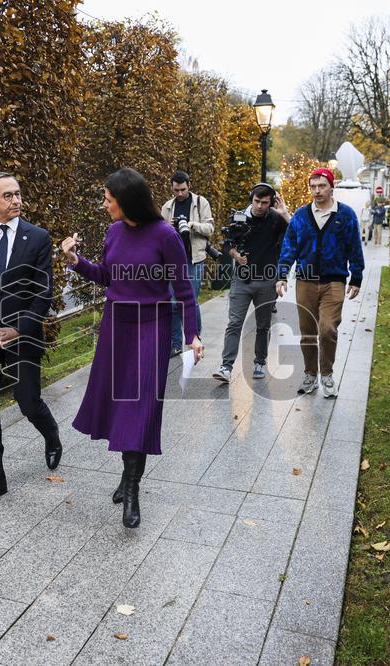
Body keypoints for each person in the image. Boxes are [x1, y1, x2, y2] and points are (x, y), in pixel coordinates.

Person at [61, 168, 203, 528]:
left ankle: (132, 489)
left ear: (127, 200)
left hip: (151, 329)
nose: (105, 204)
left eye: (108, 199)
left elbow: (184, 290)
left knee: (138, 410)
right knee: (118, 408)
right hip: (115, 328)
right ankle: (127, 477)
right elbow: (106, 277)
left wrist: (192, 334)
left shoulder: (166, 235)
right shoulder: (113, 232)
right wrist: (76, 261)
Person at [0, 172, 63, 510]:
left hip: (23, 336)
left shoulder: (37, 238)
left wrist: (18, 329)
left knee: (28, 400)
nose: (16, 200)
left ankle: (50, 434)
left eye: (18, 194)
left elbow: (42, 293)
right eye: (7, 195)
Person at [276, 168, 364, 399]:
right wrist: (282, 274)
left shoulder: (346, 215)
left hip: (334, 281)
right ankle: (310, 374)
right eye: (313, 186)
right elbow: (289, 246)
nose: (316, 191)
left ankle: (327, 373)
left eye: (321, 186)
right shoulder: (301, 216)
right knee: (307, 332)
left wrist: (356, 277)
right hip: (305, 281)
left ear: (331, 187)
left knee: (327, 329)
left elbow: (354, 247)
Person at [212, 183, 290, 383]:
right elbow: (227, 243)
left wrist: (284, 213)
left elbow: (295, 237)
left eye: (265, 203)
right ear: (251, 199)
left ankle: (259, 362)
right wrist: (235, 255)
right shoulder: (240, 217)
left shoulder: (276, 219)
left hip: (267, 280)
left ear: (271, 202)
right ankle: (226, 367)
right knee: (234, 323)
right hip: (242, 279)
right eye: (257, 201)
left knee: (263, 325)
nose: (260, 206)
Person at [160, 170, 213, 356]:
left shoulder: (200, 203)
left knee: (191, 301)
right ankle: (175, 343)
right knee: (173, 302)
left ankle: (194, 338)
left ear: (189, 186)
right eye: (176, 190)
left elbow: (210, 228)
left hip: (194, 259)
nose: (180, 193)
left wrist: (192, 225)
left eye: (182, 189)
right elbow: (160, 233)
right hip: (173, 261)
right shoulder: (167, 207)